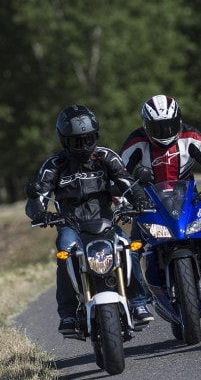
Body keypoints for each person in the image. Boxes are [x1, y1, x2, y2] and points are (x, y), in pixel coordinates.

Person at [25, 105, 154, 335]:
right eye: (77, 141)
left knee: (128, 247)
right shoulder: (54, 165)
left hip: (105, 222)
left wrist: (141, 200)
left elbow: (125, 180)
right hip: (71, 226)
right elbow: (40, 194)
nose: (84, 145)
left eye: (89, 139)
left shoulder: (106, 157)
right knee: (64, 253)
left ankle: (138, 303)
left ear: (96, 136)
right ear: (64, 140)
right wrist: (39, 212)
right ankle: (67, 314)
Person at [119, 94, 201, 296]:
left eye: (169, 125)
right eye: (157, 127)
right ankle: (138, 297)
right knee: (133, 247)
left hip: (187, 197)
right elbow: (118, 175)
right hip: (148, 202)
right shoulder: (136, 141)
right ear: (146, 125)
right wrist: (124, 201)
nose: (164, 132)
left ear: (178, 121)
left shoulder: (191, 136)